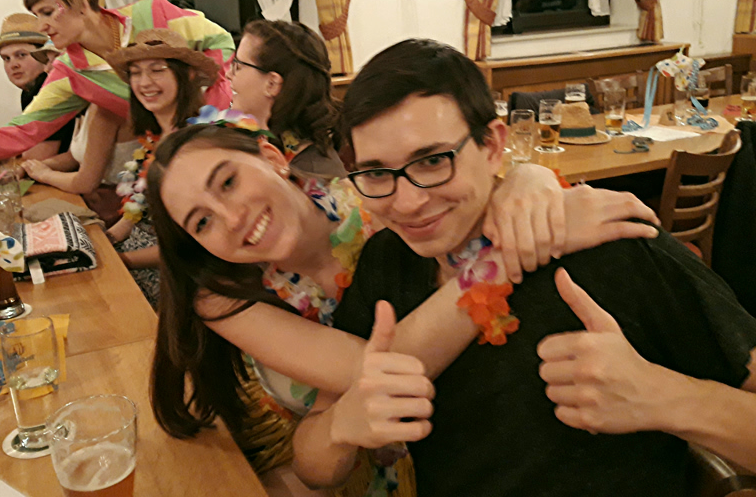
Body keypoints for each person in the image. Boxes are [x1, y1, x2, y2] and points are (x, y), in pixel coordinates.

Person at [292, 39, 756, 496]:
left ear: (493, 146)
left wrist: (662, 397)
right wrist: (343, 425)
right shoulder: (387, 261)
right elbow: (314, 469)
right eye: (377, 173)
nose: (408, 202)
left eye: (433, 161)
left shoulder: (610, 243)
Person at [145, 115, 659, 494]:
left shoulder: (382, 200)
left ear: (273, 157)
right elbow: (375, 370)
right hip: (309, 471)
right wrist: (504, 256)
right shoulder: (220, 294)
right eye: (202, 222)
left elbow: (468, 180)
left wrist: (529, 180)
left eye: (229, 182)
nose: (232, 218)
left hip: (464, 443)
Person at [0, 0, 234, 165]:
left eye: (48, 12)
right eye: (37, 15)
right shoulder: (70, 73)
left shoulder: (152, 14)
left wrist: (208, 111)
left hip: (223, 133)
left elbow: (220, 41)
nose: (41, 26)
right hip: (171, 157)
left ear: (78, 2)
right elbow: (22, 131)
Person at [99, 28, 220, 307]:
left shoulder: (195, 144)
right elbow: (135, 212)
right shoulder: (156, 137)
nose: (145, 82)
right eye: (136, 73)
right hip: (133, 262)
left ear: (187, 75)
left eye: (157, 70)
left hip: (174, 277)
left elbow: (193, 246)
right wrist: (105, 241)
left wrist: (121, 261)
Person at [227, 20, 345, 176]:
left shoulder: (312, 176)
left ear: (272, 84)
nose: (228, 74)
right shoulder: (268, 147)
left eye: (238, 66)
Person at [0, 13, 74, 160]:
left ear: (44, 57)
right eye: (6, 58)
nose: (13, 65)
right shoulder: (29, 91)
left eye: (21, 55)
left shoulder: (47, 88)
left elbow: (36, 157)